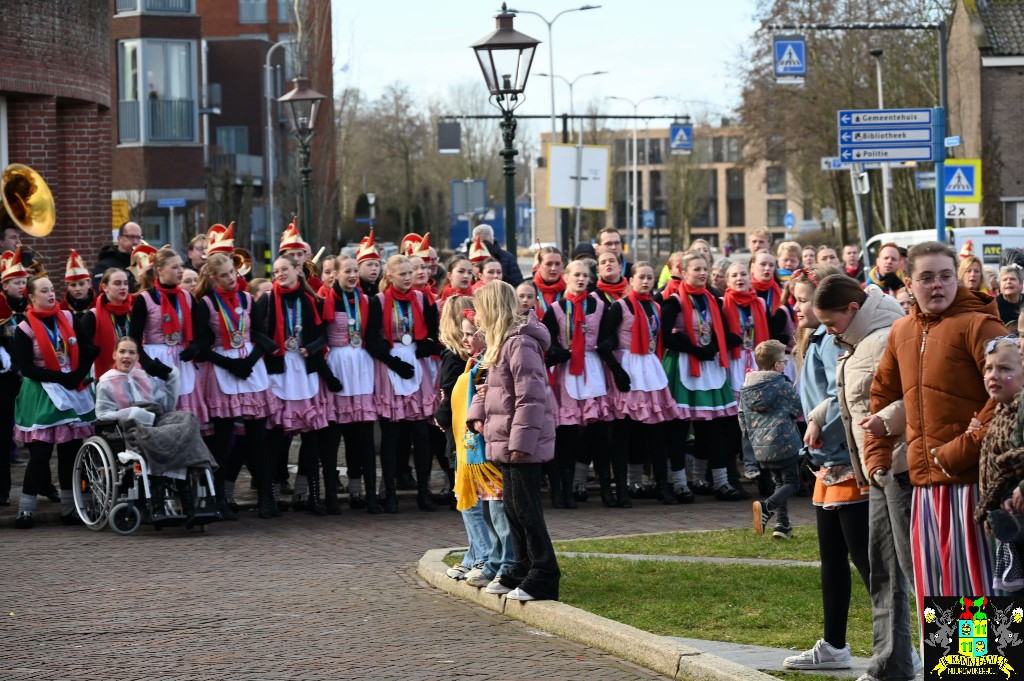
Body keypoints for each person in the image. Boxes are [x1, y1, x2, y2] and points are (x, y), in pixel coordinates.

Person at [870, 242, 1005, 622]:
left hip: (976, 481)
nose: (937, 285)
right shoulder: (901, 330)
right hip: (925, 484)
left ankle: (986, 669)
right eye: (926, 278)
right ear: (909, 284)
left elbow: (1010, 396)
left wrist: (960, 450)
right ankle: (949, 669)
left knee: (978, 589)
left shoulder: (981, 324)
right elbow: (881, 394)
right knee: (939, 590)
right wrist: (878, 456)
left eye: (946, 276)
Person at [813, 274, 918, 681]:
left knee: (931, 573)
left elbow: (921, 396)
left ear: (853, 309)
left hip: (911, 468)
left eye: (943, 275)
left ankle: (973, 663)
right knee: (885, 570)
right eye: (923, 279)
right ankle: (890, 664)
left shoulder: (891, 334)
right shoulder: (861, 340)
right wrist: (824, 413)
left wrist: (885, 427)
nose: (827, 330)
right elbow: (865, 403)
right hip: (882, 468)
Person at [784, 264, 869, 671]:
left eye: (805, 300)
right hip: (830, 463)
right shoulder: (819, 337)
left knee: (872, 565)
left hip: (851, 461)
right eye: (798, 300)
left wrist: (823, 429)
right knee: (834, 559)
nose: (799, 308)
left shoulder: (837, 338)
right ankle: (835, 644)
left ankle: (901, 651)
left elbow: (845, 394)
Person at [468, 280, 559, 601]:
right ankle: (521, 566)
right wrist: (476, 413)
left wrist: (521, 442)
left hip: (520, 443)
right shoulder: (501, 343)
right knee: (512, 507)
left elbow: (530, 397)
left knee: (527, 508)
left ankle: (545, 573)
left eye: (479, 309)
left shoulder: (519, 344)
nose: (475, 317)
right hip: (505, 439)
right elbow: (490, 387)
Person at [94, 336, 218, 524]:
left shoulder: (145, 378)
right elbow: (102, 414)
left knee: (188, 419)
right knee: (164, 438)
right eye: (122, 352)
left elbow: (167, 405)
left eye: (131, 352)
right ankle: (159, 505)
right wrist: (130, 412)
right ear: (114, 355)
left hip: (155, 422)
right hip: (128, 429)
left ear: (137, 357)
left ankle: (190, 506)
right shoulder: (106, 382)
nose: (126, 356)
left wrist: (172, 377)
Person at [12, 275, 97, 528]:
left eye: (52, 290)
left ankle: (70, 508)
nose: (51, 295)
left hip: (71, 387)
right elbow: (27, 368)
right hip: (42, 392)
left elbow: (89, 349)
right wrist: (62, 377)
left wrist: (77, 376)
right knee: (40, 453)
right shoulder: (24, 328)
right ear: (32, 297)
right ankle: (25, 510)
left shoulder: (68, 318)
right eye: (45, 291)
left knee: (71, 451)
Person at [194, 252, 273, 520]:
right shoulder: (205, 303)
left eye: (233, 272)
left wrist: (250, 360)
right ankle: (218, 498)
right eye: (225, 274)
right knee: (222, 440)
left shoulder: (247, 298)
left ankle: (266, 496)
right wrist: (230, 365)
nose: (231, 278)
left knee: (258, 438)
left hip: (249, 367)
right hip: (222, 370)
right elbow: (203, 346)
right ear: (214, 278)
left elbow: (259, 334)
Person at [597, 261, 681, 506]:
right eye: (641, 277)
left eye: (649, 277)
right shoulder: (620, 307)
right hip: (628, 367)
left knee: (656, 431)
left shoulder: (655, 306)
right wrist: (616, 369)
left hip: (649, 367)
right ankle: (622, 488)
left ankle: (663, 486)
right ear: (631, 280)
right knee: (623, 432)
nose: (645, 281)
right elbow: (604, 342)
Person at [661, 251, 743, 501]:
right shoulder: (673, 301)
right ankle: (678, 482)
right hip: (684, 366)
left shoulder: (713, 299)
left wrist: (718, 345)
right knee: (680, 429)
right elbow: (666, 337)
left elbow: (721, 330)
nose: (702, 273)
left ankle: (717, 481)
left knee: (715, 428)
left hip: (710, 366)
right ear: (683, 273)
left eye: (704, 269)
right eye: (696, 269)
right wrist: (693, 348)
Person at [254, 255, 332, 514]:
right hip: (279, 371)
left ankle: (310, 495)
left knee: (311, 439)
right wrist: (271, 346)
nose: (280, 274)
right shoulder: (266, 300)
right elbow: (255, 331)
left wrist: (311, 347)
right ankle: (270, 496)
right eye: (276, 271)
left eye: (284, 269)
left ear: (297, 270)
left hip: (305, 370)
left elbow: (322, 334)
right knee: (274, 440)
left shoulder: (308, 300)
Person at [366, 254, 442, 512]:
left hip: (416, 365)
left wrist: (423, 346)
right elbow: (371, 338)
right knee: (392, 435)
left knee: (421, 433)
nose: (408, 277)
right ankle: (389, 492)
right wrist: (392, 361)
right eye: (403, 274)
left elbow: (434, 332)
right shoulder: (378, 301)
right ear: (390, 277)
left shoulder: (421, 299)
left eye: (410, 273)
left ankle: (424, 490)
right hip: (391, 366)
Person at [541, 260, 612, 509]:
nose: (581, 279)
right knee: (567, 435)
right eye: (576, 275)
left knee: (598, 433)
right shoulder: (557, 308)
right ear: (566, 277)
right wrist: (559, 351)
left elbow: (608, 335)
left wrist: (606, 346)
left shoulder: (600, 306)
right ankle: (564, 490)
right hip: (567, 372)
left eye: (585, 275)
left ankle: (607, 489)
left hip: (592, 368)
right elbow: (547, 341)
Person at [318, 256, 381, 513]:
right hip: (337, 365)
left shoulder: (366, 300)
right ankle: (331, 494)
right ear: (335, 274)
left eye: (356, 271)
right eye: (348, 271)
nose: (353, 275)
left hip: (361, 368)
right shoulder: (325, 301)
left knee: (363, 436)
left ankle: (366, 494)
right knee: (333, 436)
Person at [128, 248, 205, 425]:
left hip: (181, 359)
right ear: (160, 270)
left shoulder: (186, 297)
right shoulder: (144, 299)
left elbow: (199, 331)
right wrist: (148, 364)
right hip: (156, 359)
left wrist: (195, 346)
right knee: (160, 414)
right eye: (175, 267)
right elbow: (134, 339)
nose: (180, 271)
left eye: (181, 266)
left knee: (185, 416)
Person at [972, 337, 1024, 593]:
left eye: (1005, 369)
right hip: (1005, 521)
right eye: (989, 368)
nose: (994, 375)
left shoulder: (1018, 412)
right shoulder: (1000, 410)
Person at [743, 339, 802, 539]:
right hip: (784, 441)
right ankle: (766, 507)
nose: (785, 365)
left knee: (779, 481)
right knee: (793, 482)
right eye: (784, 362)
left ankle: (782, 525)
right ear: (777, 365)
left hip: (761, 446)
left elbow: (742, 416)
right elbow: (797, 407)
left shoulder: (748, 386)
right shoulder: (782, 384)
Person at [723, 259, 772, 482]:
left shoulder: (759, 303)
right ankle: (747, 463)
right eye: (734, 275)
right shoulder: (723, 303)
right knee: (742, 417)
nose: (739, 279)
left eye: (743, 274)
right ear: (727, 280)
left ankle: (763, 463)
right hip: (735, 363)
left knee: (760, 416)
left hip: (756, 358)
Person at [79, 268, 133, 379]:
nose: (123, 287)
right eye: (117, 283)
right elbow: (81, 351)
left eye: (125, 283)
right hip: (105, 378)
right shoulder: (93, 316)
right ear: (104, 287)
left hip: (133, 374)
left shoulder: (133, 312)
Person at [94, 221, 143, 288]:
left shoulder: (142, 263)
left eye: (138, 238)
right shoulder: (104, 265)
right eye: (131, 237)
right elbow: (101, 292)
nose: (135, 242)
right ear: (119, 239)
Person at [532, 246, 566, 318]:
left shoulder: (569, 289)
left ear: (562, 265)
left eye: (557, 264)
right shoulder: (530, 288)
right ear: (539, 266)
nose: (553, 268)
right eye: (549, 264)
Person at [61, 250, 95, 316]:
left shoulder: (99, 305)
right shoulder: (61, 310)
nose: (77, 288)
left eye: (81, 284)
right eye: (73, 285)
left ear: (89, 283)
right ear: (67, 286)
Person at [357, 228, 382, 296]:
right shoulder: (353, 289)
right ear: (358, 268)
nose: (374, 268)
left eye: (377, 265)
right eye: (369, 264)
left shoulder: (383, 289)